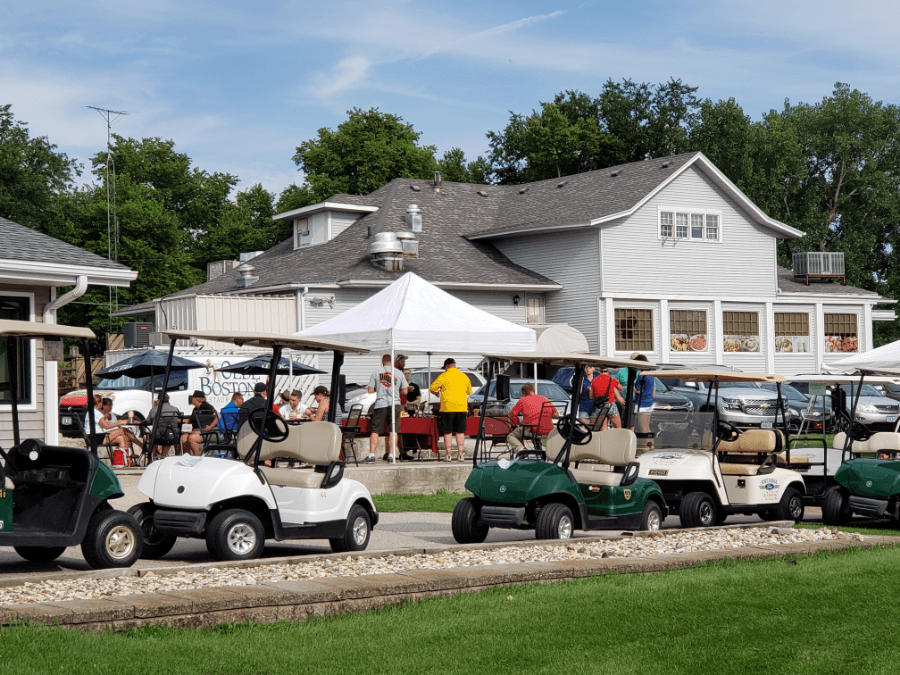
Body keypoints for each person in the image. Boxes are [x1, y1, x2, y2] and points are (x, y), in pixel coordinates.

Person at [366, 354, 409, 463]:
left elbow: (370, 390)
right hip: (395, 404)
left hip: (380, 404)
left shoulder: (376, 372)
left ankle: (371, 455)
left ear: (383, 361)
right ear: (392, 361)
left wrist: (379, 388)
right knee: (393, 430)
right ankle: (391, 454)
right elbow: (405, 391)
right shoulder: (399, 373)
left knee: (375, 430)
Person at [429, 358, 472, 461]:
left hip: (447, 408)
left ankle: (448, 455)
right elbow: (469, 391)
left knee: (447, 432)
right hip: (461, 407)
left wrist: (436, 393)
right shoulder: (464, 376)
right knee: (460, 431)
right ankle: (460, 454)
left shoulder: (443, 376)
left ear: (447, 366)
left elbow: (432, 388)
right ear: (454, 365)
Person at [506, 383, 558, 452]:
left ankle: (521, 450)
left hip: (533, 430)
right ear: (534, 390)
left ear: (524, 393)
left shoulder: (523, 400)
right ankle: (538, 448)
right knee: (534, 427)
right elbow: (555, 415)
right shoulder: (545, 399)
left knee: (510, 436)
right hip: (549, 430)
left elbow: (511, 414)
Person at [181, 390, 219, 456]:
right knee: (183, 438)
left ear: (197, 398)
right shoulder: (195, 409)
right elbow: (193, 420)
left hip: (204, 431)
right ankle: (187, 457)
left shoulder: (206, 406)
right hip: (195, 430)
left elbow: (217, 415)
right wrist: (187, 421)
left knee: (192, 438)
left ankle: (196, 456)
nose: (191, 399)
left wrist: (210, 426)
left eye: (193, 397)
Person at [632, 355, 656, 449]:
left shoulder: (642, 375)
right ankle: (651, 447)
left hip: (642, 403)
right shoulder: (651, 374)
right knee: (647, 427)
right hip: (649, 402)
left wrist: (633, 388)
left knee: (643, 428)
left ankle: (648, 448)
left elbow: (639, 390)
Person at [149, 394, 183, 458]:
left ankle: (154, 456)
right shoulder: (175, 409)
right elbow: (179, 420)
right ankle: (164, 456)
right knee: (169, 433)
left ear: (158, 400)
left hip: (158, 436)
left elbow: (148, 421)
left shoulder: (154, 410)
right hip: (173, 436)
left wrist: (155, 406)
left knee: (150, 436)